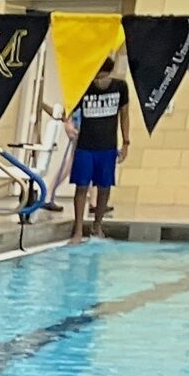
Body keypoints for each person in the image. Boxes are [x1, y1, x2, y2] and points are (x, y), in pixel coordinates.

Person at [68, 52, 130, 240]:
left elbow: (125, 115)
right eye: (97, 78)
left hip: (107, 145)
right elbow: (68, 109)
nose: (100, 83)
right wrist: (67, 123)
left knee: (104, 187)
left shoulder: (120, 87)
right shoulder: (84, 87)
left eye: (103, 78)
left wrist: (126, 142)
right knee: (82, 186)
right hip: (85, 145)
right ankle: (78, 229)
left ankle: (97, 225)